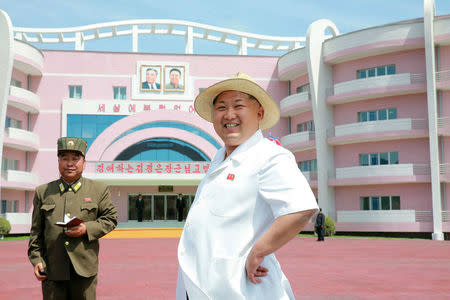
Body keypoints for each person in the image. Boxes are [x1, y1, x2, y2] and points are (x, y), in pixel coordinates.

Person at [176, 72, 319, 299]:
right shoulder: (218, 158)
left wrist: (259, 251)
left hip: (243, 287)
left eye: (238, 105)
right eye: (221, 107)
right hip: (202, 285)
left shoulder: (270, 155)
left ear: (259, 113)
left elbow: (301, 209)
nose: (229, 114)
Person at [28, 137, 118, 300]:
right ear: (58, 161)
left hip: (84, 271)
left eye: (75, 158)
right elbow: (36, 232)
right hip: (52, 270)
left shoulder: (98, 189)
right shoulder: (43, 192)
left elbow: (110, 218)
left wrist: (86, 228)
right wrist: (37, 260)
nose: (69, 163)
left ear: (84, 162)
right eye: (64, 158)